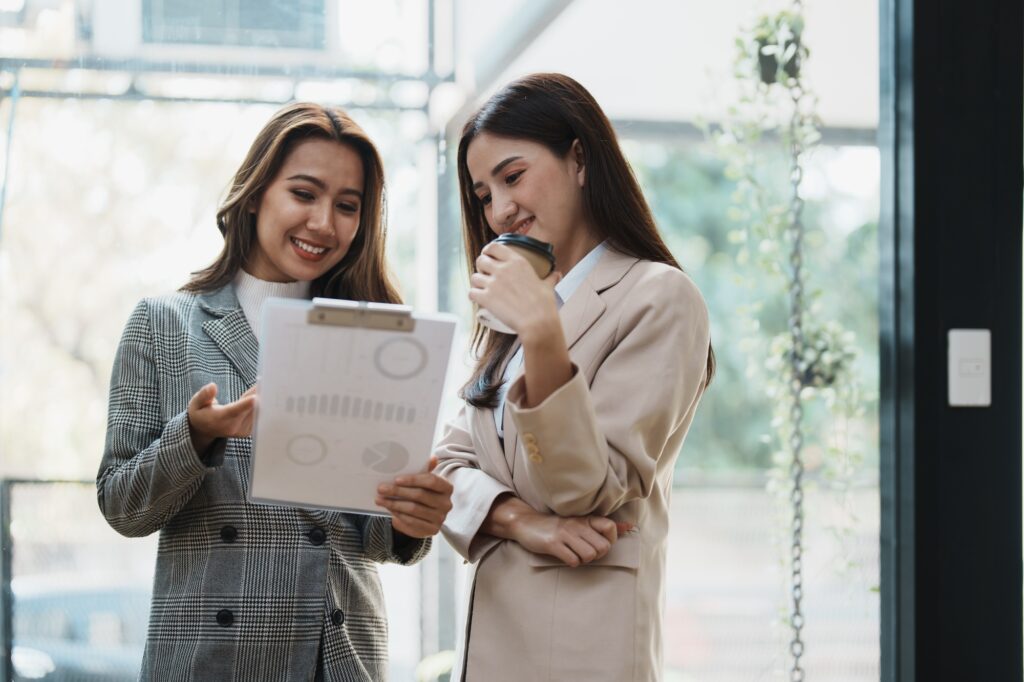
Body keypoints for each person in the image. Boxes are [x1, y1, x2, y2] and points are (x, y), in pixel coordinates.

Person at [97, 102, 453, 681]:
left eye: (347, 206)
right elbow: (122, 507)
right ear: (257, 192)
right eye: (304, 193)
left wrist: (414, 517)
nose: (323, 223)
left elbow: (376, 538)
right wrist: (196, 437)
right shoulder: (164, 324)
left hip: (335, 655)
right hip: (208, 660)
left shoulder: (378, 336)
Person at [433, 73, 714, 681]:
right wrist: (518, 521)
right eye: (483, 195)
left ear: (580, 159)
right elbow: (447, 466)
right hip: (491, 650)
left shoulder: (659, 298)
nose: (499, 209)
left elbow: (588, 490)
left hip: (585, 649)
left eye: (512, 177)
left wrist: (541, 332)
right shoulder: (514, 316)